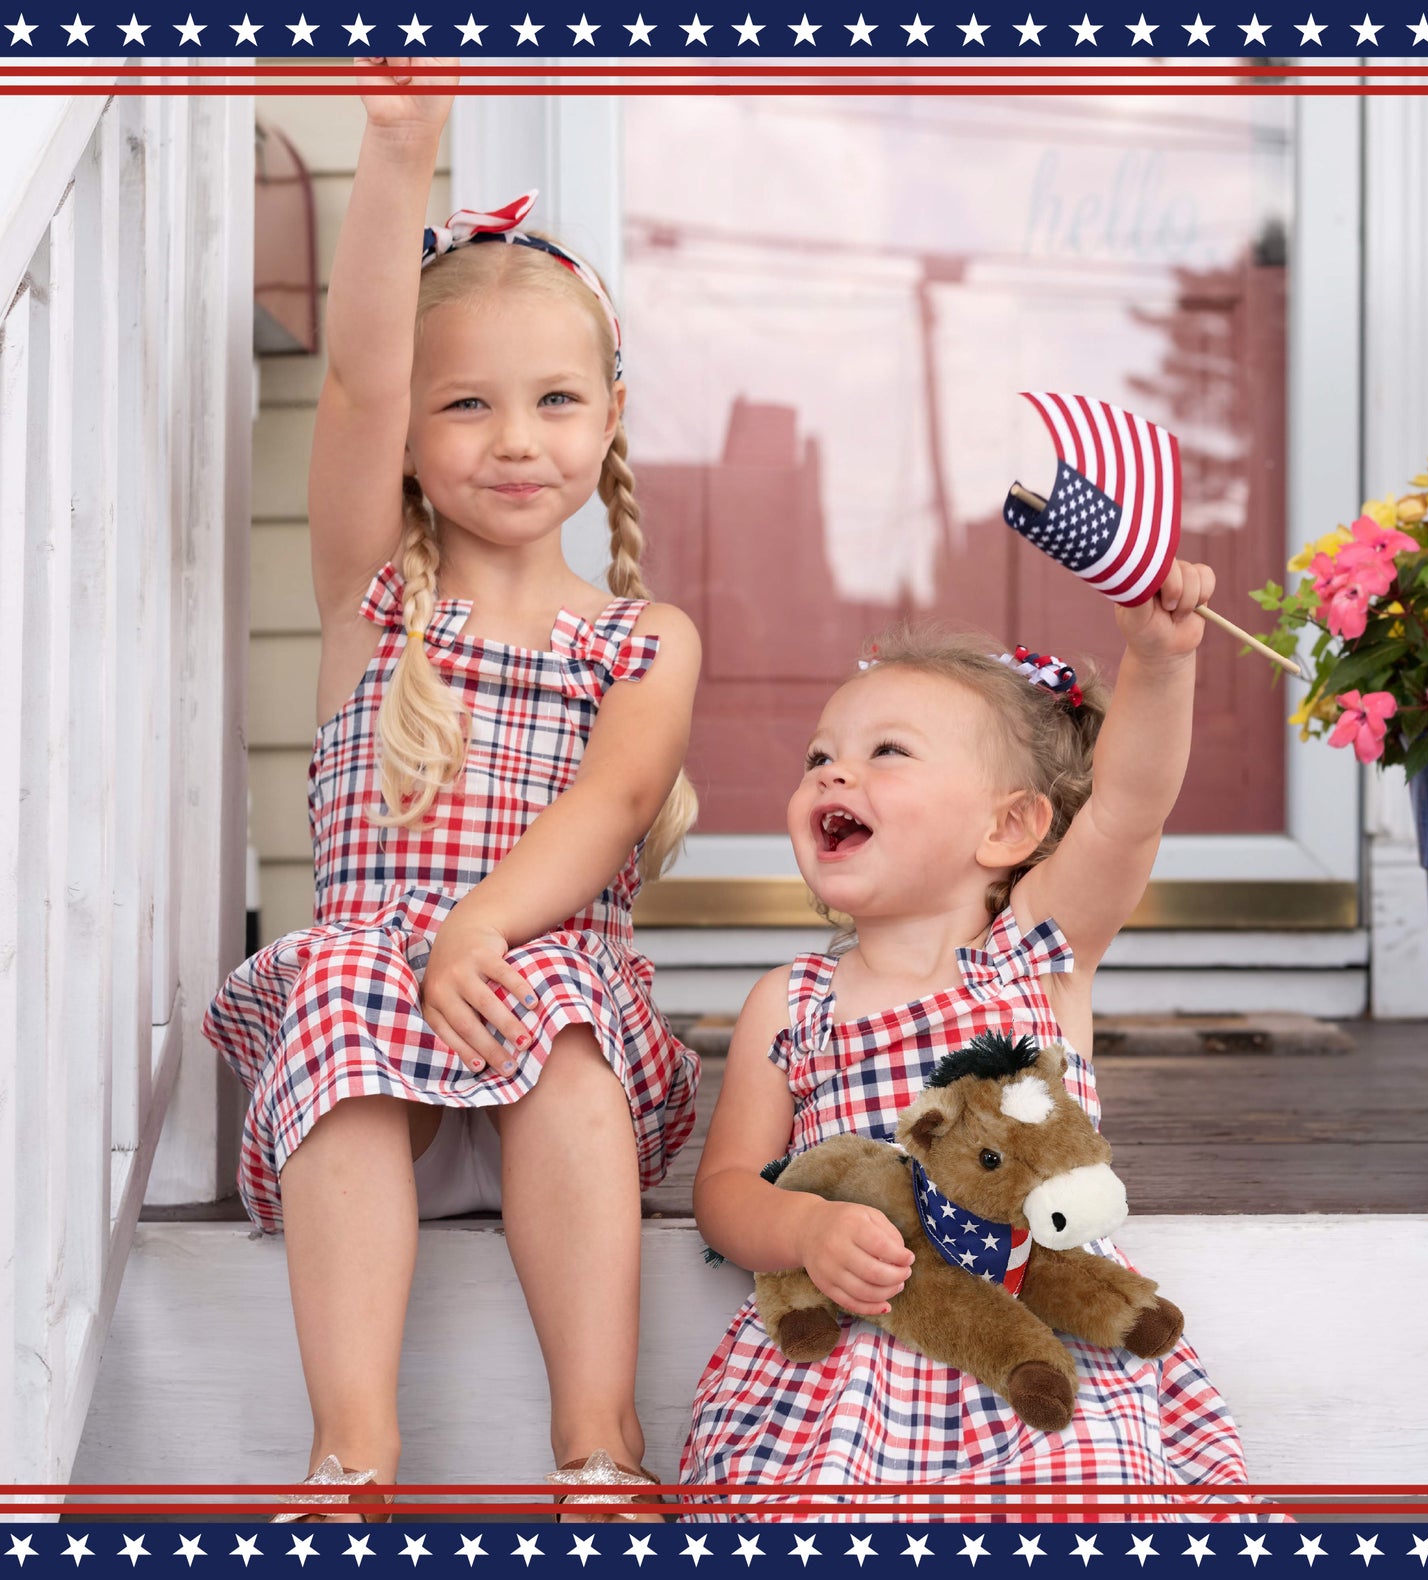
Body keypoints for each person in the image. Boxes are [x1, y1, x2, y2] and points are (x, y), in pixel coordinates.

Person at [205, 60, 700, 1523]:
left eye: (554, 400)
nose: (512, 438)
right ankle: (350, 1459)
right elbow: (354, 371)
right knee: (355, 976)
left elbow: (609, 806)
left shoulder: (641, 638)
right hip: (375, 1087)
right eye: (465, 405)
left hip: (550, 1059)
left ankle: (596, 1448)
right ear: (415, 441)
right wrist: (400, 145)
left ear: (609, 417)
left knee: (551, 997)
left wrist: (482, 927)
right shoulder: (374, 602)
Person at [682, 560, 1255, 1521]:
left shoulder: (1035, 956)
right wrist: (803, 1229)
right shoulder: (791, 1003)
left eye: (888, 752)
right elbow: (725, 1189)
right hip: (859, 1364)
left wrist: (1158, 665)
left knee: (1077, 1505)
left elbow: (1127, 811)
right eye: (818, 757)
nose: (832, 771)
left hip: (1038, 1348)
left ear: (1009, 826)